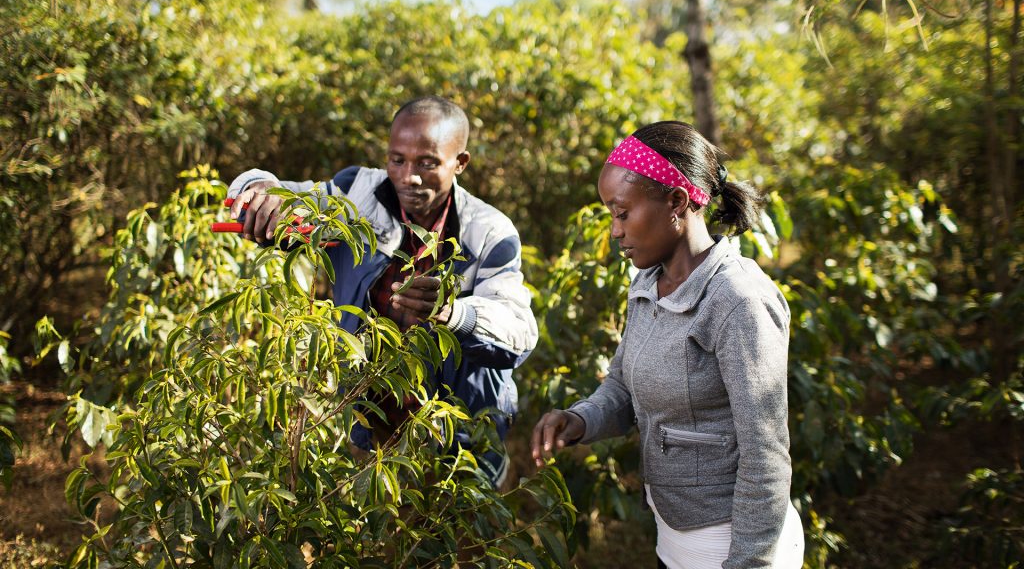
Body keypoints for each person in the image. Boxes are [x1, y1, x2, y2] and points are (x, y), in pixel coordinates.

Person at [530, 121, 804, 568]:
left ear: (677, 201)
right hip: (673, 535)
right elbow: (622, 387)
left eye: (622, 213)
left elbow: (766, 452)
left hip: (733, 544)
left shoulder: (737, 300)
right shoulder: (647, 284)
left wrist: (749, 563)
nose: (615, 231)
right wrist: (577, 420)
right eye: (610, 216)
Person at [227, 96, 538, 487]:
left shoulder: (490, 231)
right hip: (368, 425)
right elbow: (285, 198)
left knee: (458, 541)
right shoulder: (356, 193)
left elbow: (519, 331)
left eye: (427, 163)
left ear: (460, 163)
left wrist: (452, 314)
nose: (409, 176)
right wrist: (260, 191)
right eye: (397, 160)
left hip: (458, 439)